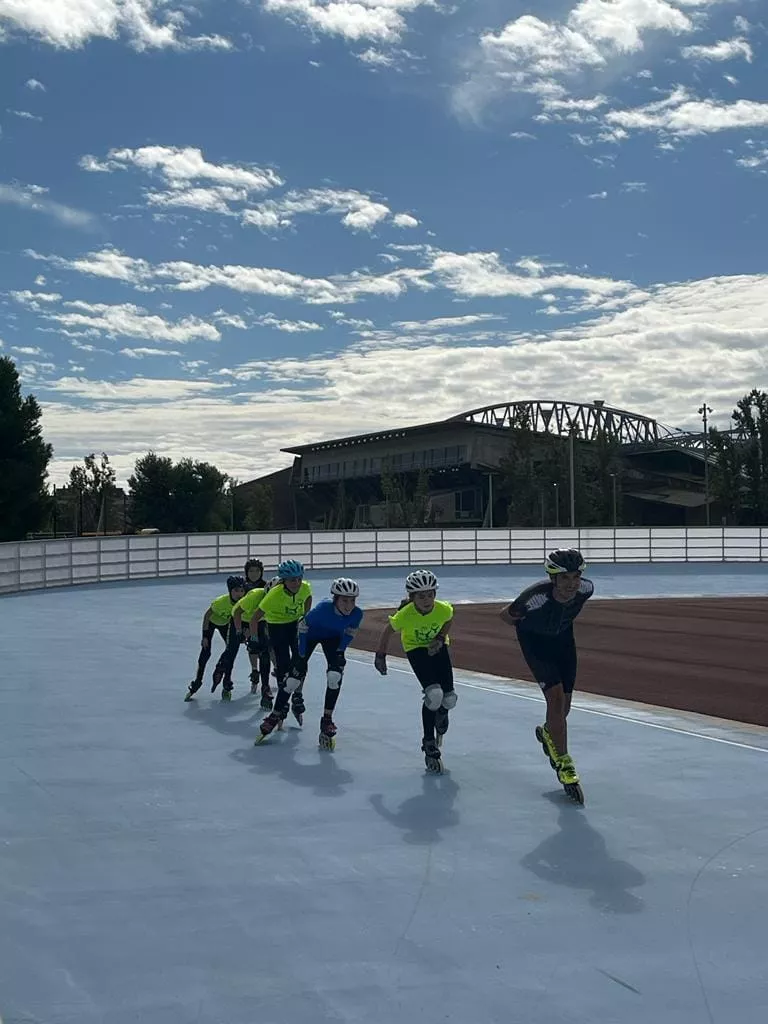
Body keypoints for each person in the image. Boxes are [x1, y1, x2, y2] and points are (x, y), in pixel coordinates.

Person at [499, 548, 593, 797]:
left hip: (563, 641)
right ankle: (564, 763)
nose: (572, 584)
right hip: (535, 644)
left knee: (564, 709)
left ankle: (549, 735)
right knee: (555, 698)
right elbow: (506, 617)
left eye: (575, 577)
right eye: (564, 578)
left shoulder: (587, 589)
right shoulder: (534, 597)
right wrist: (528, 625)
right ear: (553, 578)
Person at [374, 569, 456, 773]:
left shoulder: (443, 609)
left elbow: (449, 619)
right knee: (434, 695)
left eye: (430, 594)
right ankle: (428, 740)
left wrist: (439, 639)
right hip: (415, 649)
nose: (427, 600)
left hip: (438, 647)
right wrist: (381, 655)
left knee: (449, 699)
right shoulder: (405, 614)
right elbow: (388, 630)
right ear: (412, 598)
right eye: (421, 596)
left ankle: (442, 713)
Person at [281, 577, 363, 750]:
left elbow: (349, 634)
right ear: (335, 599)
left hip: (332, 638)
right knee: (293, 679)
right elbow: (302, 627)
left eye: (352, 600)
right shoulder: (322, 609)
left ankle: (327, 719)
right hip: (309, 636)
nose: (349, 605)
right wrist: (301, 654)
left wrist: (340, 651)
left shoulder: (357, 613)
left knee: (335, 676)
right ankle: (276, 713)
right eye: (344, 600)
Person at [249, 560, 312, 741]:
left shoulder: (305, 588)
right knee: (284, 668)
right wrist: (254, 640)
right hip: (277, 628)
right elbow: (254, 619)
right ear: (284, 581)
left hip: (294, 625)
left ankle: (297, 697)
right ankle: (282, 706)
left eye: (299, 579)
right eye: (292, 580)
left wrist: (305, 617)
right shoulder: (273, 596)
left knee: (301, 663)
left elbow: (308, 598)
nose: (297, 583)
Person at [184, 575, 246, 702]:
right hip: (212, 623)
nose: (239, 594)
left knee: (231, 652)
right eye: (236, 591)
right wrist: (205, 636)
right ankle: (197, 681)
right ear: (230, 591)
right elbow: (207, 616)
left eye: (241, 590)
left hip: (226, 625)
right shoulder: (220, 602)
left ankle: (227, 683)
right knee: (206, 652)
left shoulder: (244, 603)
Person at [234, 560, 274, 705]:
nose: (254, 574)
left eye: (257, 571)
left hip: (262, 620)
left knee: (266, 647)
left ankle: (270, 674)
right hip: (246, 619)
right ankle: (254, 670)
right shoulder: (242, 586)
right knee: (253, 646)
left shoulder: (266, 585)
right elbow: (236, 606)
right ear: (246, 573)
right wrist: (241, 628)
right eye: (251, 571)